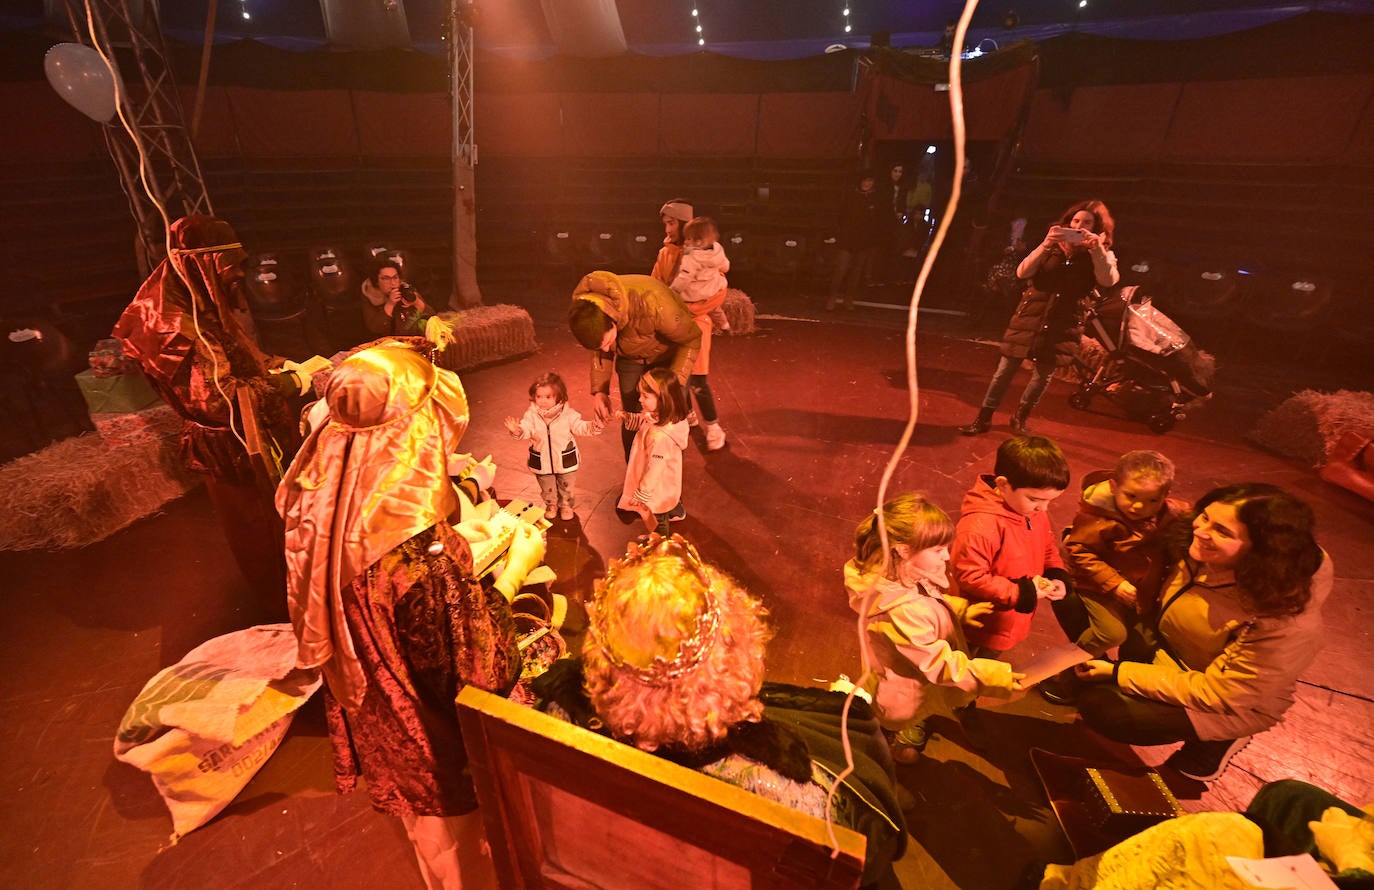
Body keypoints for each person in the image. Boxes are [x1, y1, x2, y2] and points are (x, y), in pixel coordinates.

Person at [276, 343, 546, 889]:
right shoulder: (423, 568)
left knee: (430, 853)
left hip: (385, 729)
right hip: (440, 757)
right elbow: (482, 680)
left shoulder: (326, 513)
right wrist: (516, 567)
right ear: (410, 439)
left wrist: (458, 546)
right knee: (467, 867)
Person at [532, 534, 908, 890]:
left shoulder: (556, 717)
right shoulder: (787, 793)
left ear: (602, 654)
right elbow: (860, 857)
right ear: (733, 650)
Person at [112, 214, 309, 619]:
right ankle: (285, 610)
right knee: (258, 531)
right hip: (230, 445)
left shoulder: (198, 302)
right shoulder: (172, 326)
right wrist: (288, 384)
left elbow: (233, 358)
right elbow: (218, 400)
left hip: (244, 436)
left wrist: (275, 364)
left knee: (274, 523)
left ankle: (297, 590)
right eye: (230, 266)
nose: (239, 275)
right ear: (204, 264)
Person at [1074, 483, 1330, 782]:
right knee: (1073, 597)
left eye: (1223, 531)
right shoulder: (1192, 538)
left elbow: (1222, 692)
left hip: (1226, 695)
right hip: (1173, 644)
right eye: (1205, 516)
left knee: (1106, 711)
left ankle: (1215, 743)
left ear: (1263, 550)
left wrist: (1118, 673)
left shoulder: (1283, 620)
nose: (1202, 531)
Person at [845, 494, 1023, 764]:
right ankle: (884, 776)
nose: (947, 555)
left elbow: (925, 598)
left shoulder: (899, 576)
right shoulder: (905, 610)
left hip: (898, 681)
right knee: (881, 741)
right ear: (904, 550)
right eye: (938, 549)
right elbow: (941, 664)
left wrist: (958, 610)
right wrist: (997, 677)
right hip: (903, 695)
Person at [1039, 450, 1190, 705]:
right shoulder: (1099, 516)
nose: (1139, 506)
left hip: (1142, 591)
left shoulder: (1172, 517)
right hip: (1096, 586)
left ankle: (1115, 680)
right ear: (1113, 486)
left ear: (1165, 497)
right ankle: (1066, 673)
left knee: (1146, 643)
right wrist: (1114, 583)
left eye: (1152, 500)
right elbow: (1079, 550)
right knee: (1111, 633)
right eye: (1131, 496)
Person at [959, 199, 1119, 436]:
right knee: (1004, 371)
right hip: (1030, 315)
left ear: (1097, 227)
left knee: (1042, 377)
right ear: (1068, 221)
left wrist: (1097, 250)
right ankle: (983, 419)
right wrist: (1045, 244)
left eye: (1087, 222)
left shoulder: (1102, 253)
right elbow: (1022, 272)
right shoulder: (1052, 245)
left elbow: (1108, 280)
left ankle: (1019, 419)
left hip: (1063, 321)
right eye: (1075, 220)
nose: (1079, 226)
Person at [951, 435, 1072, 659]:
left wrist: (1056, 574)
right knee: (964, 667)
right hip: (980, 624)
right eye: (1035, 499)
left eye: (1050, 501)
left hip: (1010, 618)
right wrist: (1022, 592)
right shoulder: (981, 525)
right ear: (1003, 484)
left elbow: (1047, 547)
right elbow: (969, 575)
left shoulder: (1029, 511)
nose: (1044, 509)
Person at [567, 270, 700, 458]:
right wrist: (600, 391)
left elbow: (691, 338)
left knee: (670, 416)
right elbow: (600, 348)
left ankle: (666, 473)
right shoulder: (591, 309)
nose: (606, 350)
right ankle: (634, 472)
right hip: (630, 358)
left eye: (606, 343)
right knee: (633, 416)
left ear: (613, 322)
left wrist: (674, 383)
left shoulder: (654, 302)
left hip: (668, 356)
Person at [666, 215, 730, 450]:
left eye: (672, 224)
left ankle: (713, 427)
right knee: (678, 377)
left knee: (698, 378)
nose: (668, 229)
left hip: (694, 320)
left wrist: (669, 295)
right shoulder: (714, 251)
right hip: (678, 320)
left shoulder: (690, 257)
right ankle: (686, 416)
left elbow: (683, 284)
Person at [503, 371, 601, 522]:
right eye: (539, 396)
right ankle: (551, 504)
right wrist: (517, 430)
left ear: (559, 396)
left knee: (566, 485)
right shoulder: (532, 415)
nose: (542, 401)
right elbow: (526, 429)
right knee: (546, 487)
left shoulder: (568, 415)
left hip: (564, 460)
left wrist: (595, 426)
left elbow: (581, 427)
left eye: (548, 396)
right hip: (542, 461)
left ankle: (566, 505)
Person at [617, 367, 690, 535]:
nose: (640, 399)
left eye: (646, 396)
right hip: (662, 484)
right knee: (664, 506)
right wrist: (627, 417)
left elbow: (654, 468)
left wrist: (642, 495)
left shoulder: (661, 437)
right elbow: (644, 422)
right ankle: (676, 511)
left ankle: (659, 544)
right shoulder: (657, 415)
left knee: (657, 517)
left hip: (656, 486)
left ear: (663, 398)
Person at [827, 170, 886, 311]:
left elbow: (877, 222)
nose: (867, 183)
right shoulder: (850, 196)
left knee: (856, 272)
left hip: (864, 241)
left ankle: (849, 298)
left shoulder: (875, 199)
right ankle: (832, 298)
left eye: (870, 181)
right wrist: (838, 234)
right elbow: (840, 216)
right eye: (865, 180)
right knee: (841, 269)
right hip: (847, 240)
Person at [362, 259, 430, 336]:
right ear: (376, 281)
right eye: (386, 278)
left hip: (413, 341)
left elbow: (432, 318)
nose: (392, 283)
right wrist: (390, 305)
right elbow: (376, 329)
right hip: (385, 345)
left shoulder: (406, 290)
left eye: (395, 277)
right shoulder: (371, 296)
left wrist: (417, 302)